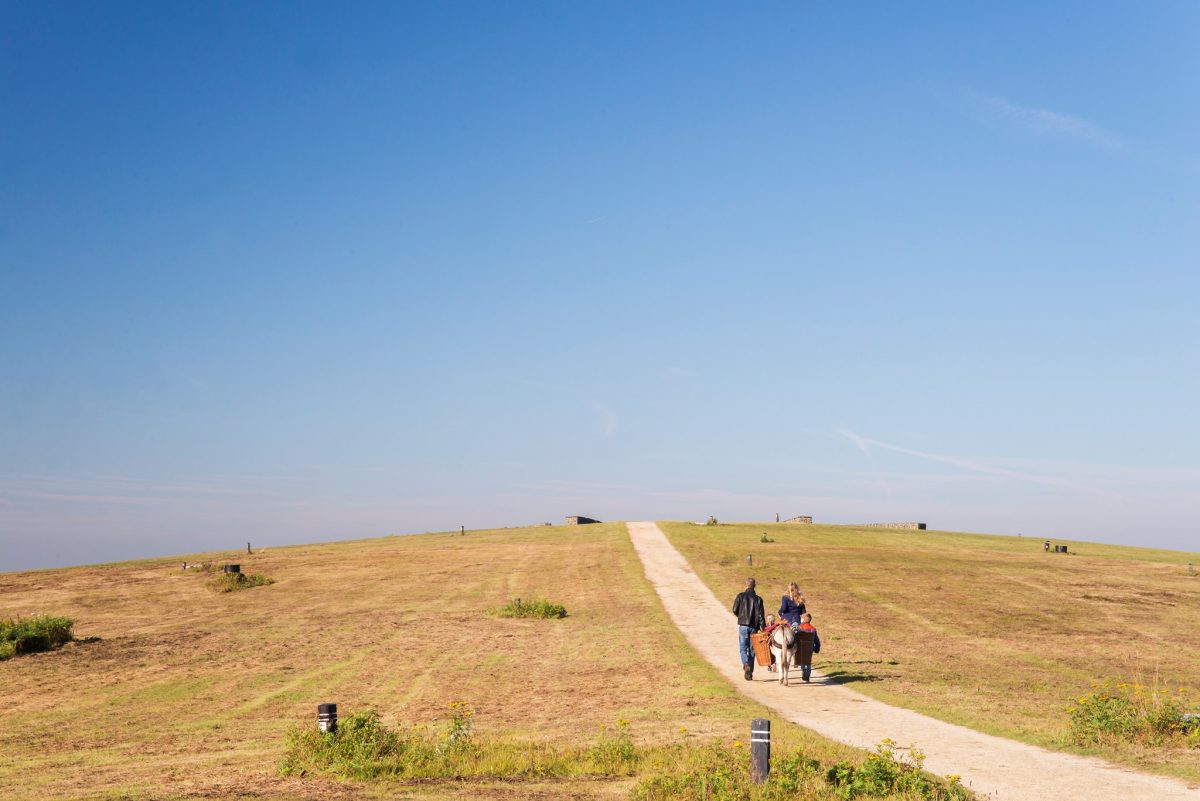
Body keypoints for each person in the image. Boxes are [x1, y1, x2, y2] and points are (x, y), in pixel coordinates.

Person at [732, 577, 766, 681]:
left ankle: (746, 664)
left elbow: (734, 609)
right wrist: (763, 627)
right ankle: (749, 673)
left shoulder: (740, 596)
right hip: (754, 627)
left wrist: (741, 617)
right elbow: (761, 615)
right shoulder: (759, 599)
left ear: (746, 585)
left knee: (743, 648)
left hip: (743, 626)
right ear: (754, 585)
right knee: (752, 650)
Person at [797, 612, 821, 683]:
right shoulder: (813, 628)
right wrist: (817, 647)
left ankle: (804, 673)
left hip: (802, 648)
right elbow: (816, 639)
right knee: (808, 662)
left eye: (801, 618)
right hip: (810, 648)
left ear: (803, 619)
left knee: (803, 662)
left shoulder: (800, 627)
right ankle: (807, 676)